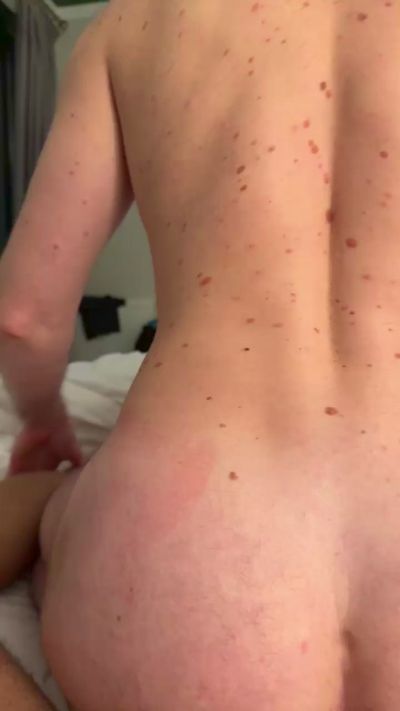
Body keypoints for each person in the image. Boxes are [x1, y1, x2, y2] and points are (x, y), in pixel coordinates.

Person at [0, 0, 399, 708]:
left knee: (47, 498)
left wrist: (42, 419)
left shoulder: (134, 23)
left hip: (183, 553)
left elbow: (22, 317)